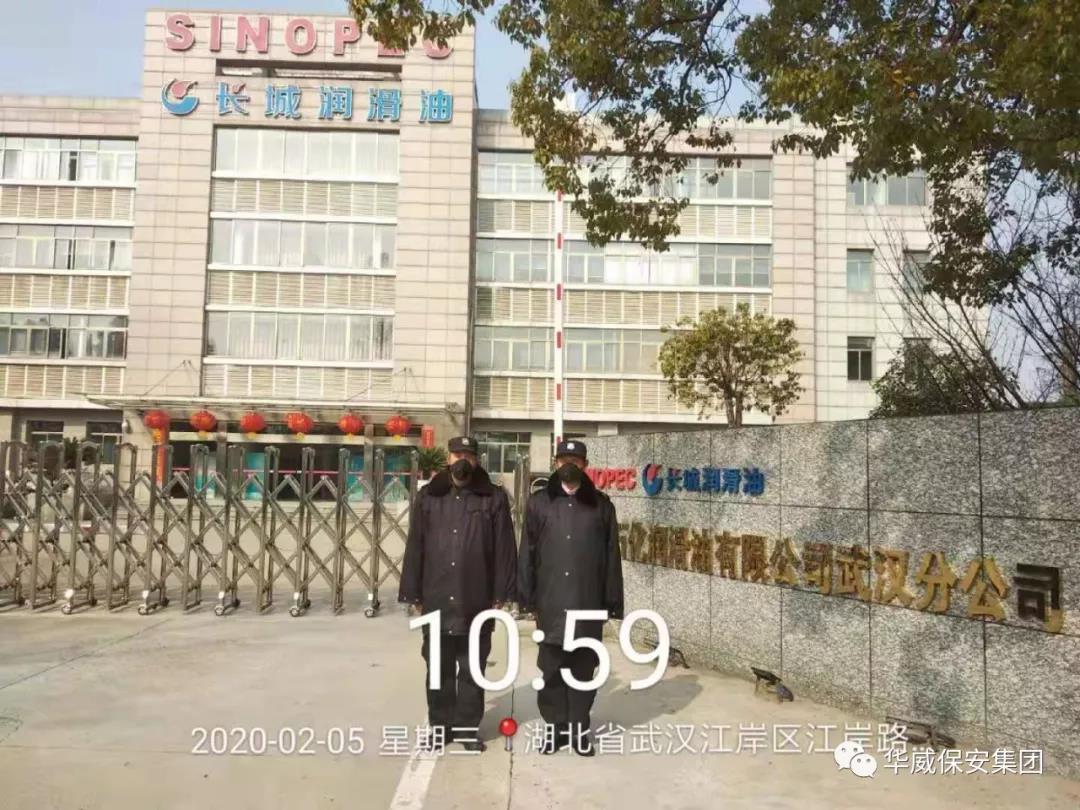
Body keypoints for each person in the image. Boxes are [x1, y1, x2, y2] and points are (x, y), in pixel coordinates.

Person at [399, 435, 517, 752]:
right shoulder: (428, 497)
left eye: (469, 455)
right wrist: (413, 593)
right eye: (457, 454)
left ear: (477, 460)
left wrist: (501, 594)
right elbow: (416, 545)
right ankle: (440, 727)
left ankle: (466, 729)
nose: (463, 460)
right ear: (448, 459)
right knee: (438, 669)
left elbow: (505, 548)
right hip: (436, 597)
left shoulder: (492, 497)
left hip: (476, 598)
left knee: (471, 668)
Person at [518, 439, 624, 756]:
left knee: (582, 671)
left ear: (585, 465)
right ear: (555, 463)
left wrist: (612, 602)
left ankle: (578, 731)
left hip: (587, 603)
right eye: (564, 460)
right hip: (550, 603)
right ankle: (555, 729)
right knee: (551, 671)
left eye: (575, 461)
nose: (569, 466)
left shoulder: (601, 505)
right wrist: (527, 599)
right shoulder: (539, 503)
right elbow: (527, 553)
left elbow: (611, 557)